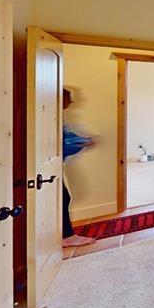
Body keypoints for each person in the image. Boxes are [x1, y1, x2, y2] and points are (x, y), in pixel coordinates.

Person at [62, 88, 97, 248]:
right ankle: (66, 236)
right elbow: (62, 144)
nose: (71, 102)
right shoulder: (51, 117)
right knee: (63, 198)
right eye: (68, 99)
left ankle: (64, 234)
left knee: (64, 198)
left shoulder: (56, 117)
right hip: (47, 169)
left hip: (55, 167)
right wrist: (83, 143)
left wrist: (84, 140)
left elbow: (67, 136)